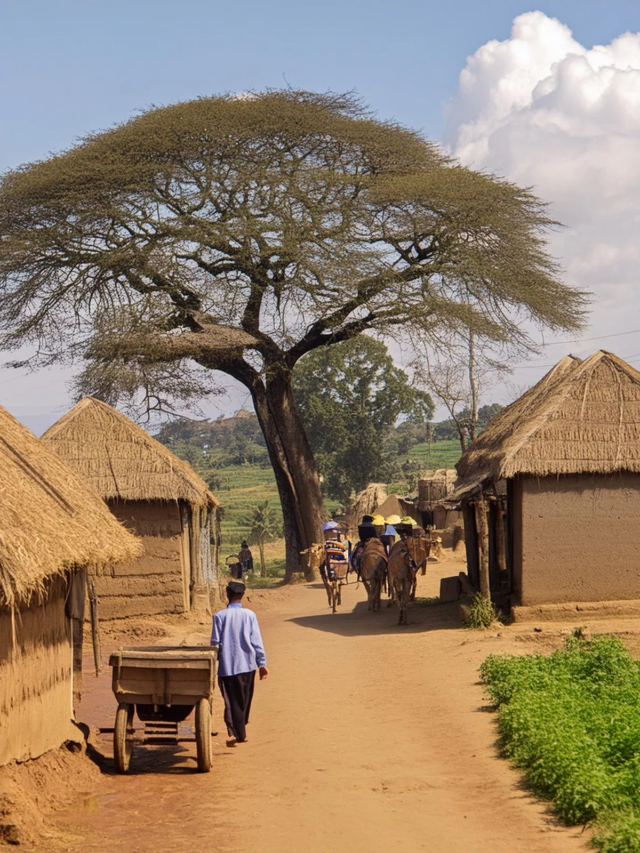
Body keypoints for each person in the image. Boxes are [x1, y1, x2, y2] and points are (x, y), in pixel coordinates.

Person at [210, 581, 268, 747]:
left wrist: (213, 660)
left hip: (228, 666)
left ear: (227, 594)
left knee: (232, 700)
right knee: (244, 699)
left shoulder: (219, 616)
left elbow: (215, 643)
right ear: (242, 595)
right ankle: (240, 731)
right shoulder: (250, 615)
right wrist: (262, 663)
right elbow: (256, 641)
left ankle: (237, 732)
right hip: (249, 665)